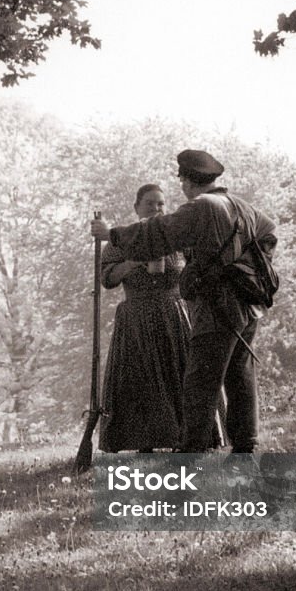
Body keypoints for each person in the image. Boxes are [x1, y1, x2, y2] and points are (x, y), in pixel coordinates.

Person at [91, 150, 277, 454]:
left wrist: (112, 233)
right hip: (247, 306)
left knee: (200, 384)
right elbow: (268, 235)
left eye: (182, 181)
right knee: (239, 376)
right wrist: (241, 269)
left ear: (188, 181)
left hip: (216, 308)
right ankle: (246, 447)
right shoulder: (241, 206)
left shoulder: (201, 207)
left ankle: (191, 454)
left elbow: (157, 233)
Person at [98, 183, 192, 453]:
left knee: (182, 376)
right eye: (150, 203)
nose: (156, 208)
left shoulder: (175, 239)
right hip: (137, 317)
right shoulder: (121, 239)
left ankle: (185, 439)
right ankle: (143, 441)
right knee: (138, 380)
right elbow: (107, 279)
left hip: (173, 314)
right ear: (136, 207)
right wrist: (136, 261)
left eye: (161, 203)